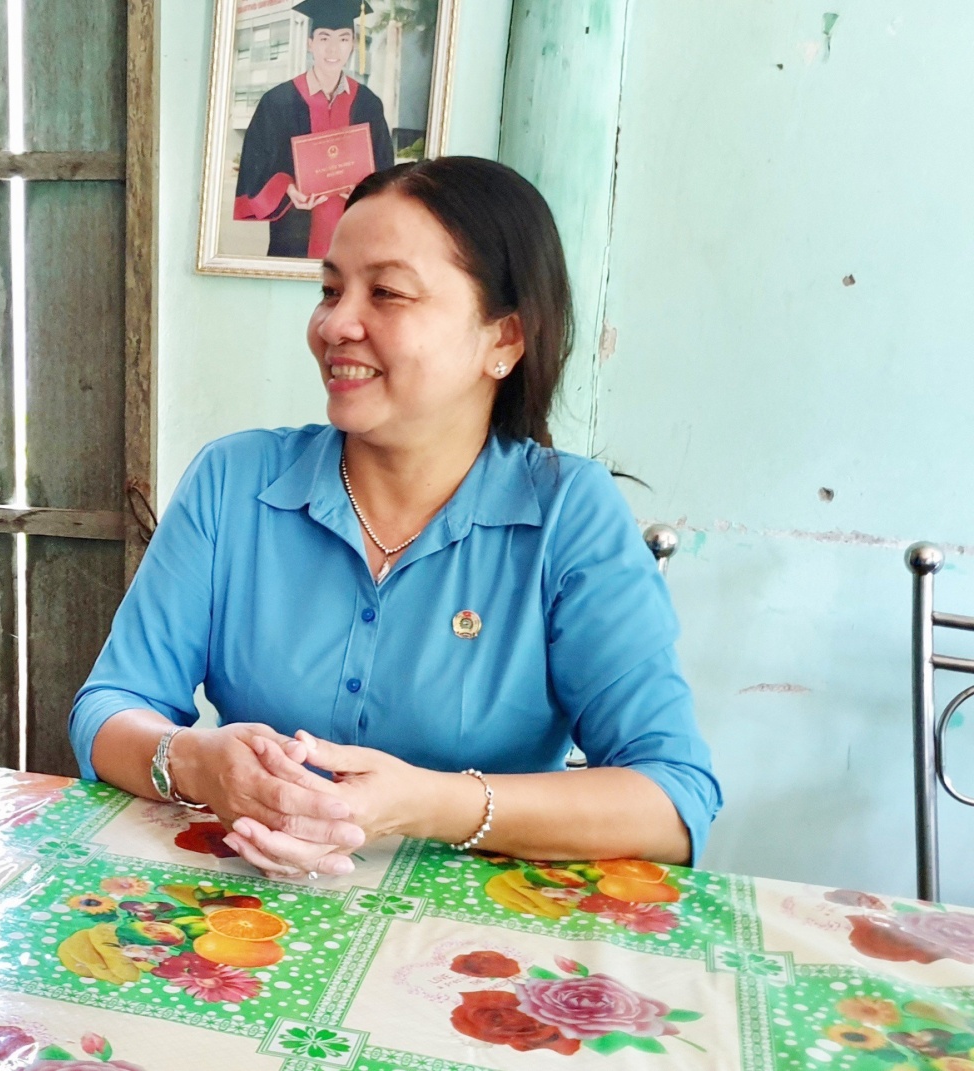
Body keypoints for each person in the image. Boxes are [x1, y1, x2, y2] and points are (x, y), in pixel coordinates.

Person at [73, 157, 720, 880]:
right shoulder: (234, 481)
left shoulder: (569, 513)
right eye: (330, 290)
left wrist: (429, 804)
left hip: (475, 934)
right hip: (249, 909)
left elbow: (673, 798)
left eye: (386, 292)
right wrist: (195, 760)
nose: (335, 323)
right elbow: (110, 707)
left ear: (504, 339)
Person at [234, 0, 397, 260]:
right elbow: (256, 164)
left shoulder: (368, 104)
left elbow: (385, 168)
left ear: (352, 44)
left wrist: (365, 190)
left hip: (352, 236)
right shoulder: (277, 102)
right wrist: (288, 189)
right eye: (324, 38)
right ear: (310, 43)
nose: (333, 49)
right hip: (294, 233)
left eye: (343, 39)